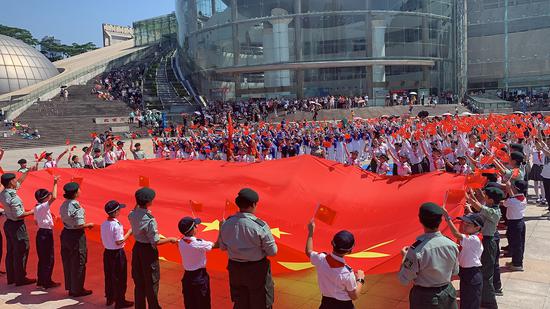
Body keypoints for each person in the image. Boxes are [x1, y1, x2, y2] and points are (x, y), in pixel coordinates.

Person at [219, 188, 277, 309]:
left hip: (235, 270)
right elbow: (273, 251)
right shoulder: (260, 226)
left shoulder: (226, 224)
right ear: (253, 204)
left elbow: (223, 247)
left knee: (241, 303)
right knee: (261, 303)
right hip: (256, 271)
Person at [398, 202, 459, 309]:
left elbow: (404, 279)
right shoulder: (451, 244)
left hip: (425, 298)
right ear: (440, 221)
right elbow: (455, 271)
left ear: (420, 220)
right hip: (448, 293)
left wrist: (404, 258)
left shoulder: (416, 250)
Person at [128, 188, 178, 309]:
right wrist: (171, 239)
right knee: (151, 282)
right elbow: (155, 241)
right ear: (148, 202)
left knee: (139, 282)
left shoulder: (132, 214)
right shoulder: (150, 219)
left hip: (137, 248)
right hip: (148, 251)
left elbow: (134, 209)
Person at [305, 219, 365, 308]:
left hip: (326, 304)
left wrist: (310, 232)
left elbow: (308, 251)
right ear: (350, 251)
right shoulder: (347, 273)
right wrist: (360, 279)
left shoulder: (320, 259)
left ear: (332, 243)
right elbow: (354, 295)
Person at [466, 187, 504, 309]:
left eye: (485, 195)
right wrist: (473, 193)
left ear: (491, 200)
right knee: (484, 271)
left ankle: (490, 303)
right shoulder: (491, 207)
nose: (483, 196)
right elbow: (481, 204)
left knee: (487, 274)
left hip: (488, 243)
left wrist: (468, 198)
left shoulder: (494, 212)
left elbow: (480, 207)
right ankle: (484, 297)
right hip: (484, 241)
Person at [441, 209, 484, 309]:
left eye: (468, 224)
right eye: (464, 222)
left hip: (472, 274)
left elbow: (456, 234)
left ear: (477, 227)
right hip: (466, 273)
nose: (464, 225)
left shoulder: (474, 239)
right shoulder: (470, 238)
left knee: (471, 303)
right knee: (465, 302)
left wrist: (448, 218)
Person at [59, 182, 94, 297]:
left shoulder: (64, 204)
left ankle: (71, 287)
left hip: (66, 233)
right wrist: (89, 225)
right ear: (75, 193)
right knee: (79, 262)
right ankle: (77, 289)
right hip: (76, 236)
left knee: (68, 261)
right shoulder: (76, 206)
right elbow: (79, 225)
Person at [0, 172, 36, 286]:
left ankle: (12, 277)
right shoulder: (14, 198)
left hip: (8, 224)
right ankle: (20, 278)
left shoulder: (3, 192)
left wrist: (27, 172)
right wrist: (32, 212)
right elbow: (18, 215)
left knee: (11, 251)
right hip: (17, 226)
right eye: (14, 180)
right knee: (21, 250)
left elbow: (19, 182)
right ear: (11, 182)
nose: (17, 181)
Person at [178, 216, 219, 309]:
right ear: (192, 230)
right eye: (196, 226)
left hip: (187, 277)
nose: (197, 227)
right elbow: (217, 245)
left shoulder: (181, 242)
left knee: (190, 304)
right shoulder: (198, 243)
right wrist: (222, 229)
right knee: (203, 304)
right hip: (199, 278)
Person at [100, 200, 134, 308]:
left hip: (107, 253)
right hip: (117, 254)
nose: (120, 211)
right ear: (115, 212)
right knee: (120, 277)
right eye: (119, 209)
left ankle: (110, 298)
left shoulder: (104, 224)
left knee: (109, 276)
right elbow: (119, 241)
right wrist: (129, 232)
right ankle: (120, 301)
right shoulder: (117, 225)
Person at [34, 176, 61, 289]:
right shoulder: (43, 206)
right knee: (49, 258)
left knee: (42, 258)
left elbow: (36, 221)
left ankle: (41, 280)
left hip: (41, 232)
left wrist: (48, 220)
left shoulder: (36, 207)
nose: (49, 196)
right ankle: (47, 282)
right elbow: (54, 197)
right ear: (44, 198)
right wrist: (55, 183)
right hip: (45, 234)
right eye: (47, 196)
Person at [502, 180, 527, 271]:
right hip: (520, 222)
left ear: (516, 189)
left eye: (513, 186)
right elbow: (514, 197)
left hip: (514, 224)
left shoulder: (512, 201)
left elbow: (505, 203)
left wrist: (508, 189)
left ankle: (517, 264)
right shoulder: (522, 197)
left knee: (517, 245)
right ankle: (516, 261)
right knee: (519, 244)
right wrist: (509, 189)